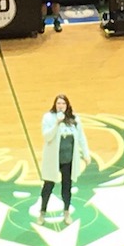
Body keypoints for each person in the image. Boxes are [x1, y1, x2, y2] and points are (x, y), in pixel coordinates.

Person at [38, 94, 90, 227]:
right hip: (53, 160)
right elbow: (47, 137)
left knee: (67, 187)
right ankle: (42, 212)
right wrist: (56, 124)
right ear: (55, 105)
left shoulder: (74, 119)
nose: (60, 106)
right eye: (58, 103)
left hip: (68, 160)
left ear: (67, 106)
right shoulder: (48, 118)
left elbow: (81, 137)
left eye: (63, 103)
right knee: (48, 187)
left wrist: (86, 153)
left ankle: (66, 211)